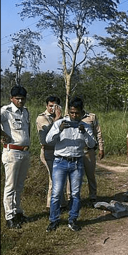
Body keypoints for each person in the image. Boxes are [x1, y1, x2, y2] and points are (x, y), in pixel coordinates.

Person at [44, 97, 96, 232]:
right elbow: (48, 140)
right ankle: (53, 220)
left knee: (75, 193)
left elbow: (92, 144)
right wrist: (59, 130)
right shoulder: (59, 123)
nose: (74, 115)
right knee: (56, 193)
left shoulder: (85, 126)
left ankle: (72, 219)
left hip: (77, 162)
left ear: (82, 113)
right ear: (68, 111)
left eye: (77, 113)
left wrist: (84, 133)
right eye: (72, 112)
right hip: (60, 162)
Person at [0, 85, 32, 229]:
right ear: (11, 98)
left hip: (24, 152)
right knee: (10, 185)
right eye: (17, 98)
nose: (20, 101)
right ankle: (9, 217)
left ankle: (18, 212)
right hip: (12, 152)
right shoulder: (6, 111)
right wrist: (3, 134)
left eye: (22, 99)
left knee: (19, 185)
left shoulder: (25, 111)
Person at [35, 95, 68, 212]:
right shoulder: (42, 118)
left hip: (59, 151)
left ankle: (62, 203)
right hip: (48, 151)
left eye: (55, 106)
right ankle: (51, 205)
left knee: (61, 178)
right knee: (54, 178)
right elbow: (47, 135)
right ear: (46, 106)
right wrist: (57, 119)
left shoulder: (61, 118)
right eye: (50, 106)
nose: (52, 109)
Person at [79, 103, 105, 204]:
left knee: (91, 175)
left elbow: (98, 132)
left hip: (89, 150)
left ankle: (93, 196)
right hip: (76, 151)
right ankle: (71, 197)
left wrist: (101, 148)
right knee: (74, 176)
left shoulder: (91, 117)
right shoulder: (68, 117)